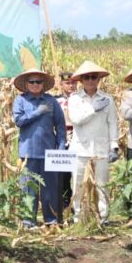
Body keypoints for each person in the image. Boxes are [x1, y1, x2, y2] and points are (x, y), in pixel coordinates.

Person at [12, 68, 66, 227]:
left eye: (38, 82)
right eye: (32, 82)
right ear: (26, 84)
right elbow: (19, 121)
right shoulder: (20, 101)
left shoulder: (51, 101)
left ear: (43, 84)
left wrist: (61, 146)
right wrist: (38, 112)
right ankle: (29, 221)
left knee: (50, 189)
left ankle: (51, 219)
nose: (35, 84)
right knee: (29, 188)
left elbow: (60, 125)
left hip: (48, 152)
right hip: (28, 152)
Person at [67, 61, 119, 224]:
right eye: (87, 77)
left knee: (102, 184)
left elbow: (113, 123)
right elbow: (76, 119)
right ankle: (78, 217)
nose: (90, 80)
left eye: (94, 77)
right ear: (81, 80)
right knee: (78, 184)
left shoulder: (107, 99)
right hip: (80, 148)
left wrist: (114, 146)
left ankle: (103, 216)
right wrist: (93, 109)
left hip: (101, 148)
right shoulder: (74, 98)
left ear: (98, 79)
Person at [54, 71, 75, 215]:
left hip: (77, 137)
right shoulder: (55, 100)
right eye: (67, 83)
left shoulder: (81, 99)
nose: (71, 85)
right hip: (61, 138)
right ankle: (65, 202)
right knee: (63, 174)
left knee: (78, 172)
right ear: (61, 84)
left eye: (73, 82)